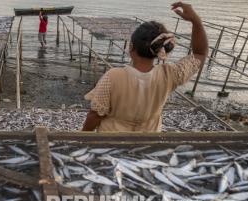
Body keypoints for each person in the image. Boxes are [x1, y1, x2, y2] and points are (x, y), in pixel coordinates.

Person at [82, 2, 208, 132]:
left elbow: (95, 115)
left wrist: (82, 137)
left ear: (131, 46)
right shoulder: (171, 74)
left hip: (112, 141)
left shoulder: (113, 76)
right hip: (148, 141)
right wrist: (196, 21)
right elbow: (200, 53)